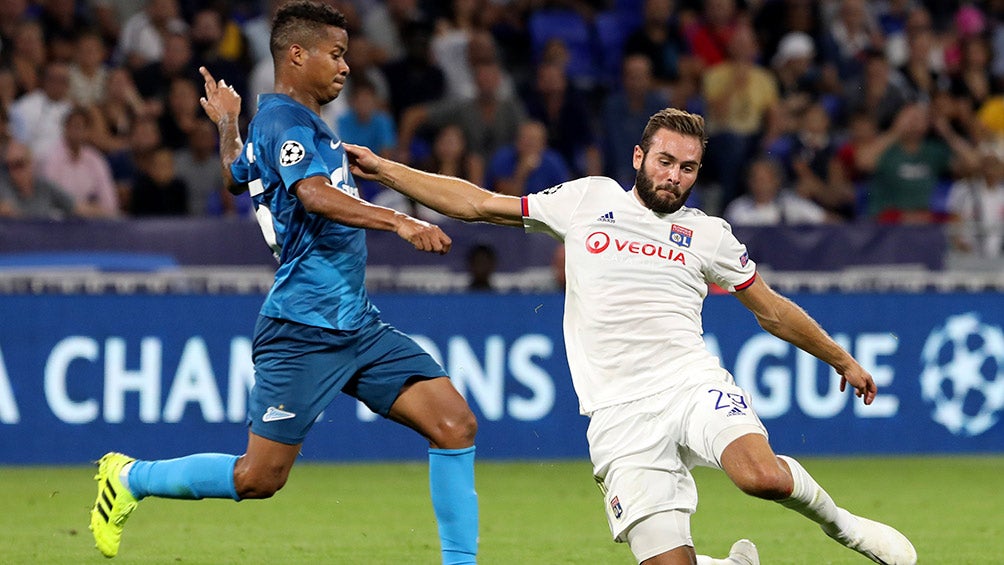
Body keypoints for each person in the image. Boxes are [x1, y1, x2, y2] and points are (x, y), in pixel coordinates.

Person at [343, 107, 918, 565]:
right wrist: (387, 170)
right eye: (665, 161)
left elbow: (770, 311)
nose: (674, 176)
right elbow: (478, 203)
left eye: (688, 168)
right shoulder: (589, 200)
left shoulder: (708, 234)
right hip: (617, 415)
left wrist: (840, 358)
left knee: (760, 476)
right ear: (640, 157)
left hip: (688, 382)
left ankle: (843, 526)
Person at [89, 4, 479, 565]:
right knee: (258, 477)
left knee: (454, 423)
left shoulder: (281, 124)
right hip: (301, 328)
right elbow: (313, 193)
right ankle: (129, 478)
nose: (347, 67)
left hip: (356, 324)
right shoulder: (285, 121)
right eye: (336, 54)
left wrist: (227, 122)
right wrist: (399, 218)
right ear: (297, 55)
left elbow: (232, 176)